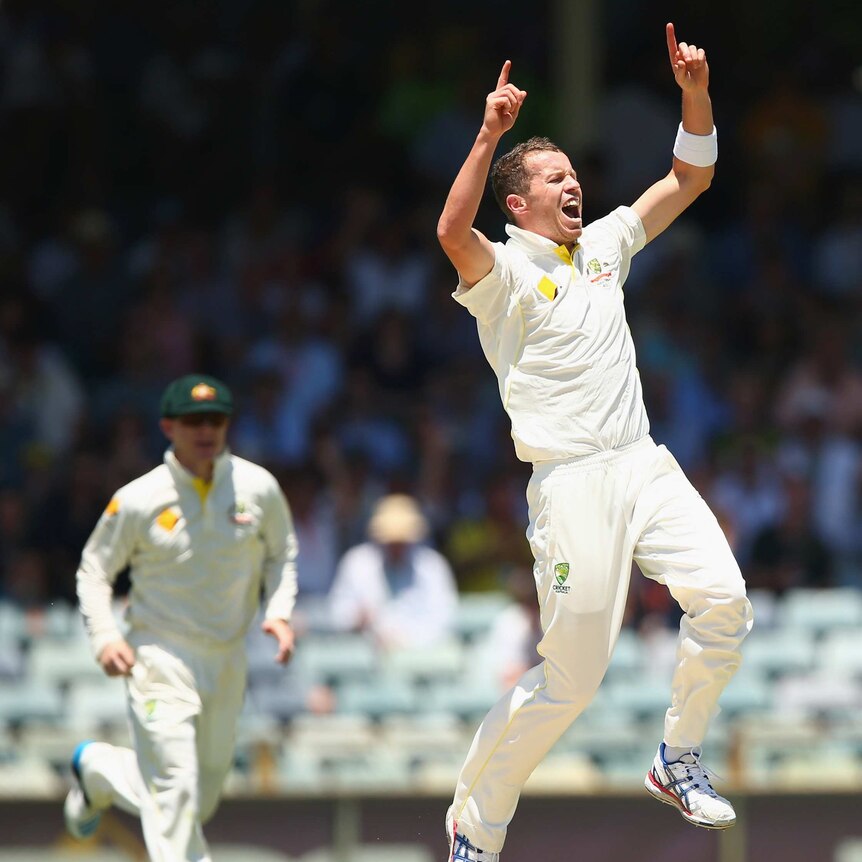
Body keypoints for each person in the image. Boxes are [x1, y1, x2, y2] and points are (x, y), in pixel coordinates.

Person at [436, 24, 754, 861]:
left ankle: (677, 755)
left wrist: (694, 94)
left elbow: (692, 175)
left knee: (724, 600)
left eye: (573, 172)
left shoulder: (606, 243)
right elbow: (448, 233)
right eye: (552, 177)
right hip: (570, 484)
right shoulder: (501, 274)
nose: (572, 183)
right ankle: (476, 824)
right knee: (570, 683)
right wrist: (489, 136)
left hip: (642, 461)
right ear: (519, 204)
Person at [63, 374, 299, 862]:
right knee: (176, 789)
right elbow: (93, 571)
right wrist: (106, 636)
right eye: (193, 422)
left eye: (215, 419)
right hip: (159, 655)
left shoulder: (258, 487)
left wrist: (278, 611)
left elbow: (282, 554)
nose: (206, 431)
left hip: (227, 658)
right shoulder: (138, 499)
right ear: (168, 426)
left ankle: (98, 769)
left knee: (200, 800)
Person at [327, 493, 458, 649]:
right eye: (390, 541)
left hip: (422, 657)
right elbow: (336, 612)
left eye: (402, 541)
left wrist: (407, 640)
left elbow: (445, 617)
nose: (396, 547)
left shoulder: (432, 566)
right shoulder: (357, 563)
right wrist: (355, 619)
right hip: (364, 656)